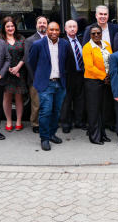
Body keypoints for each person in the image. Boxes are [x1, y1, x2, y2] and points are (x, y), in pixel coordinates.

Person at [29, 21, 70, 151]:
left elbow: (67, 62)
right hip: (46, 83)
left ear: (60, 31)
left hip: (60, 83)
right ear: (47, 30)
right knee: (45, 111)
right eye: (51, 29)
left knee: (56, 111)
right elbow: (32, 62)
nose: (54, 32)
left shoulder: (65, 44)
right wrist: (40, 75)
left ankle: (52, 134)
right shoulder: (38, 44)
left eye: (56, 30)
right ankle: (44, 138)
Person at [83, 6, 118, 133]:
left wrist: (110, 75)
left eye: (105, 14)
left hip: (109, 76)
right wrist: (103, 76)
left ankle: (106, 124)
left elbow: (113, 54)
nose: (103, 16)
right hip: (95, 77)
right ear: (96, 16)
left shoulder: (113, 31)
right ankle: (94, 128)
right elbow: (88, 62)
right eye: (100, 14)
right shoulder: (89, 33)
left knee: (107, 102)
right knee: (95, 105)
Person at [82, 24, 113, 145]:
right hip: (93, 81)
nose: (96, 35)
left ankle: (102, 133)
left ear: (102, 34)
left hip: (106, 81)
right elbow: (89, 67)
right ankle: (94, 137)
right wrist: (103, 76)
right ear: (90, 35)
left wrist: (110, 75)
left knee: (102, 109)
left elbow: (111, 60)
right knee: (94, 109)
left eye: (98, 33)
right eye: (93, 33)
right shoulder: (87, 47)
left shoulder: (106, 44)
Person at [0, 17, 27, 131]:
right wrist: (9, 69)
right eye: (8, 26)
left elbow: (26, 55)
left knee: (19, 97)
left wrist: (17, 68)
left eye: (12, 26)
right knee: (7, 97)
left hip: (19, 71)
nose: (10, 28)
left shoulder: (21, 39)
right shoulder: (0, 40)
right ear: (4, 28)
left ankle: (19, 121)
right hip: (6, 72)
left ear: (15, 27)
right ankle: (9, 121)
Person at [60, 20, 86, 134]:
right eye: (69, 27)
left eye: (74, 26)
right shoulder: (62, 42)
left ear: (77, 28)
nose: (72, 29)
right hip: (68, 75)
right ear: (65, 29)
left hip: (81, 74)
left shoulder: (82, 40)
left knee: (80, 99)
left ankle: (79, 121)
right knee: (66, 100)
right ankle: (66, 123)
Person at [23, 16, 48, 133]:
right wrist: (34, 76)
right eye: (40, 23)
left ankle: (48, 122)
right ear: (36, 25)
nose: (42, 24)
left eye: (44, 22)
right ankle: (35, 124)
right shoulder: (30, 40)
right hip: (35, 77)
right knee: (36, 103)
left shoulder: (52, 38)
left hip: (50, 76)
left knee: (48, 102)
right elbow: (27, 60)